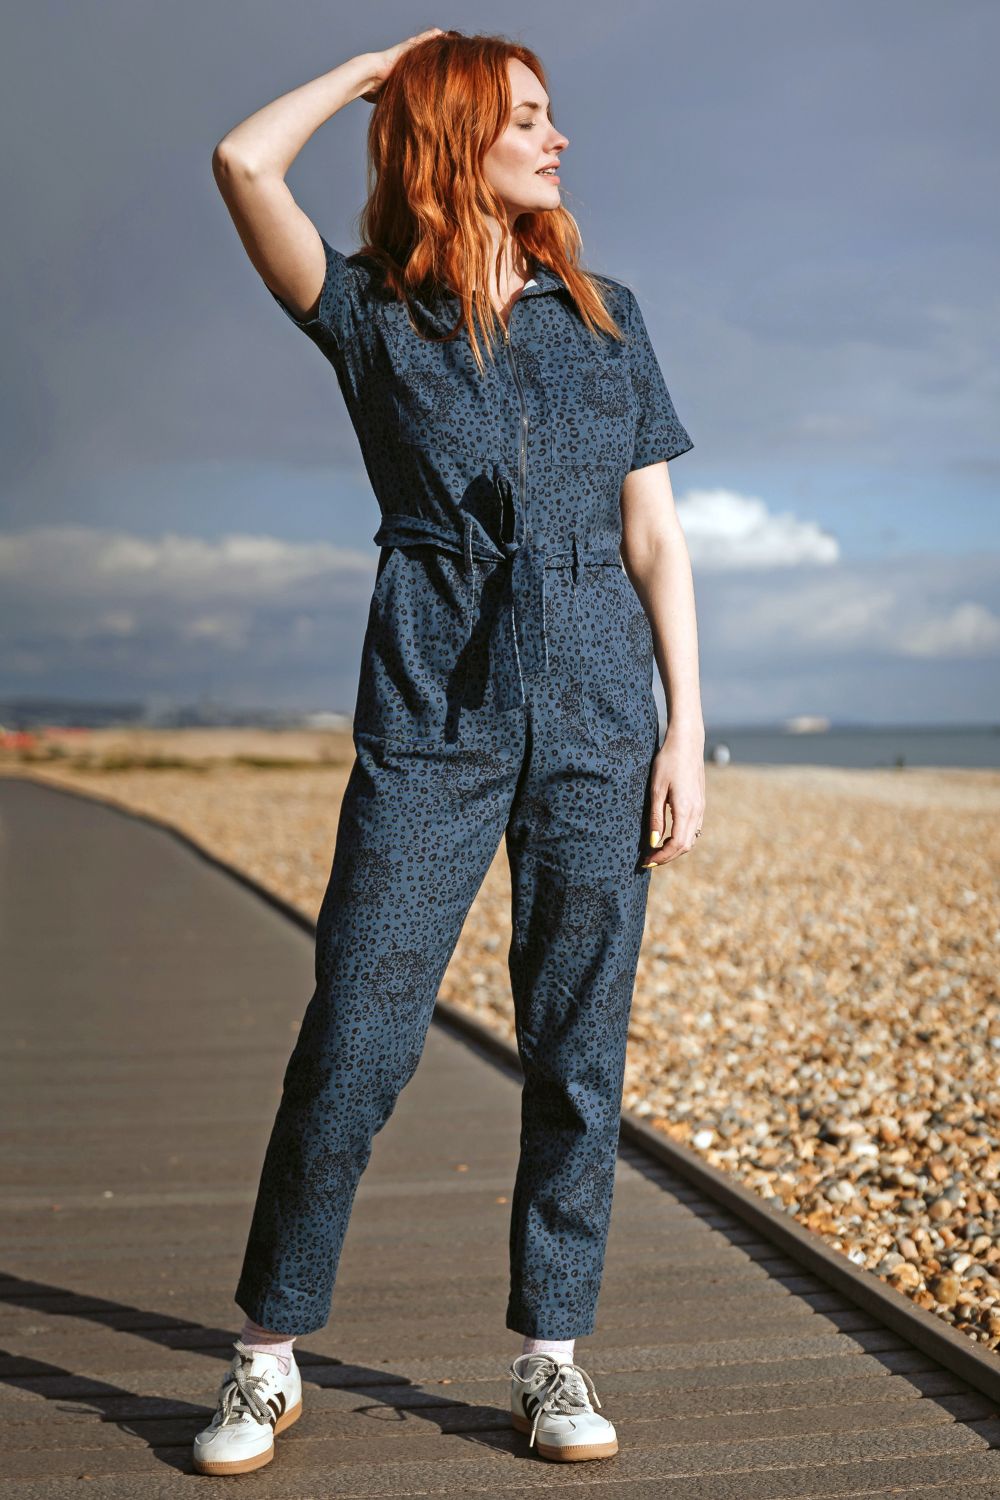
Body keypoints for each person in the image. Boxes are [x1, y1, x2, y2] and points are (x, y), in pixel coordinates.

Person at [197, 27, 705, 1477]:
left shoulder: (607, 316)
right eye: (528, 118)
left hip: (604, 712)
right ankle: (268, 1354)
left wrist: (690, 734)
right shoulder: (365, 313)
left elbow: (654, 537)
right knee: (356, 1034)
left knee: (578, 1050)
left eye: (554, 117)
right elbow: (242, 162)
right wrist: (374, 66)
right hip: (433, 708)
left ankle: (550, 1355)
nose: (558, 142)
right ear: (455, 135)